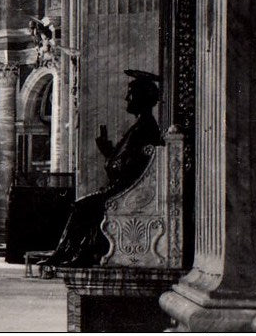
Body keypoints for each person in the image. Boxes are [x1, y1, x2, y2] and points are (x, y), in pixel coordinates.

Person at [37, 69, 163, 267]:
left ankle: (76, 254)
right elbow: (123, 163)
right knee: (84, 204)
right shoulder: (141, 126)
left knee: (83, 206)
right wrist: (109, 153)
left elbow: (125, 167)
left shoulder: (145, 128)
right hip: (123, 189)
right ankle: (68, 253)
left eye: (131, 93)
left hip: (127, 192)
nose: (126, 97)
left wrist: (109, 156)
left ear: (142, 96)